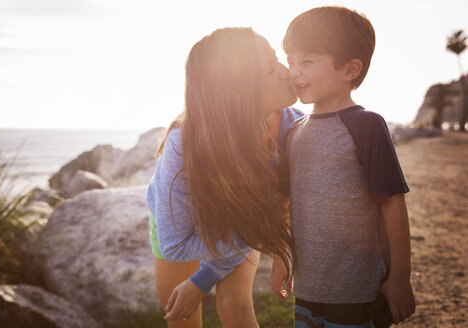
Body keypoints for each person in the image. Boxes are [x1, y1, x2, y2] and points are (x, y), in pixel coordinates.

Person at [146, 27, 303, 328]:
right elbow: (176, 244)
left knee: (233, 306)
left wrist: (205, 278)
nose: (286, 72)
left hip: (243, 222)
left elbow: (279, 207)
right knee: (181, 317)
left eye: (277, 59)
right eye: (270, 69)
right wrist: (202, 279)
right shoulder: (185, 144)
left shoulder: (295, 128)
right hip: (186, 225)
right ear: (236, 92)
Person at [271, 6, 416, 328]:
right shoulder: (293, 132)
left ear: (350, 69)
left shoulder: (366, 126)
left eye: (307, 61)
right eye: (291, 60)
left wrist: (400, 278)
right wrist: (280, 258)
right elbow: (284, 202)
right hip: (308, 288)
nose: (294, 71)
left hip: (358, 291)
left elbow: (392, 202)